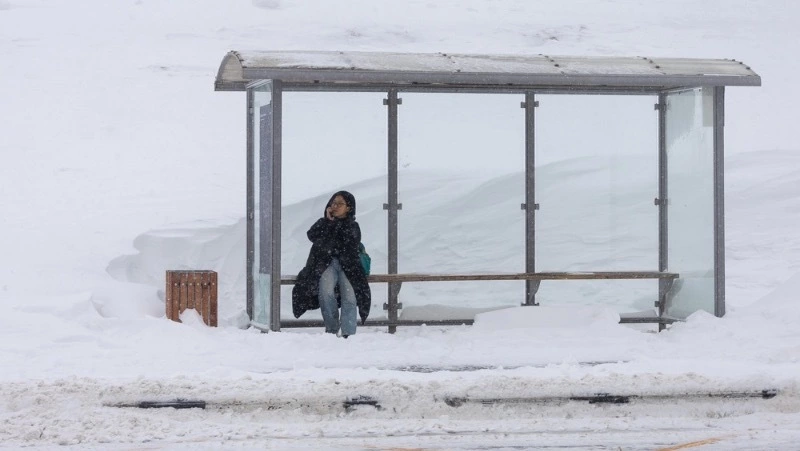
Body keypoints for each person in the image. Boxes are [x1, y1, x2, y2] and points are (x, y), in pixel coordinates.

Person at [292, 191, 371, 337]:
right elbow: (312, 235)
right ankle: (332, 329)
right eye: (333, 203)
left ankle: (348, 333)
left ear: (349, 207)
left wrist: (333, 232)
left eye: (340, 204)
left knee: (350, 297)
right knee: (325, 293)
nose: (335, 206)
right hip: (327, 264)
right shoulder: (324, 222)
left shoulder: (353, 226)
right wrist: (328, 222)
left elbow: (348, 243)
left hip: (349, 266)